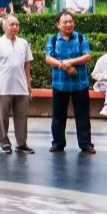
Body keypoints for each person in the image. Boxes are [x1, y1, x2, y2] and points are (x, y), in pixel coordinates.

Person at [45, 11, 94, 155]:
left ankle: (86, 144)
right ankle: (58, 143)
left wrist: (71, 61)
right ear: (58, 24)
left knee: (83, 116)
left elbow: (87, 56)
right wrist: (64, 66)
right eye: (65, 22)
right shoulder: (53, 39)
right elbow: (48, 58)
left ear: (74, 23)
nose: (68, 24)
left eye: (70, 21)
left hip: (80, 84)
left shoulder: (81, 37)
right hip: (60, 84)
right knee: (58, 117)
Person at [0, 15, 34, 154]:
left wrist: (28, 83)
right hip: (3, 87)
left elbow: (27, 64)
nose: (15, 27)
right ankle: (4, 142)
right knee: (2, 117)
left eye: (17, 24)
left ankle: (21, 144)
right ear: (4, 27)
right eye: (11, 24)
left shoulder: (23, 43)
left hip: (21, 87)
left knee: (22, 117)